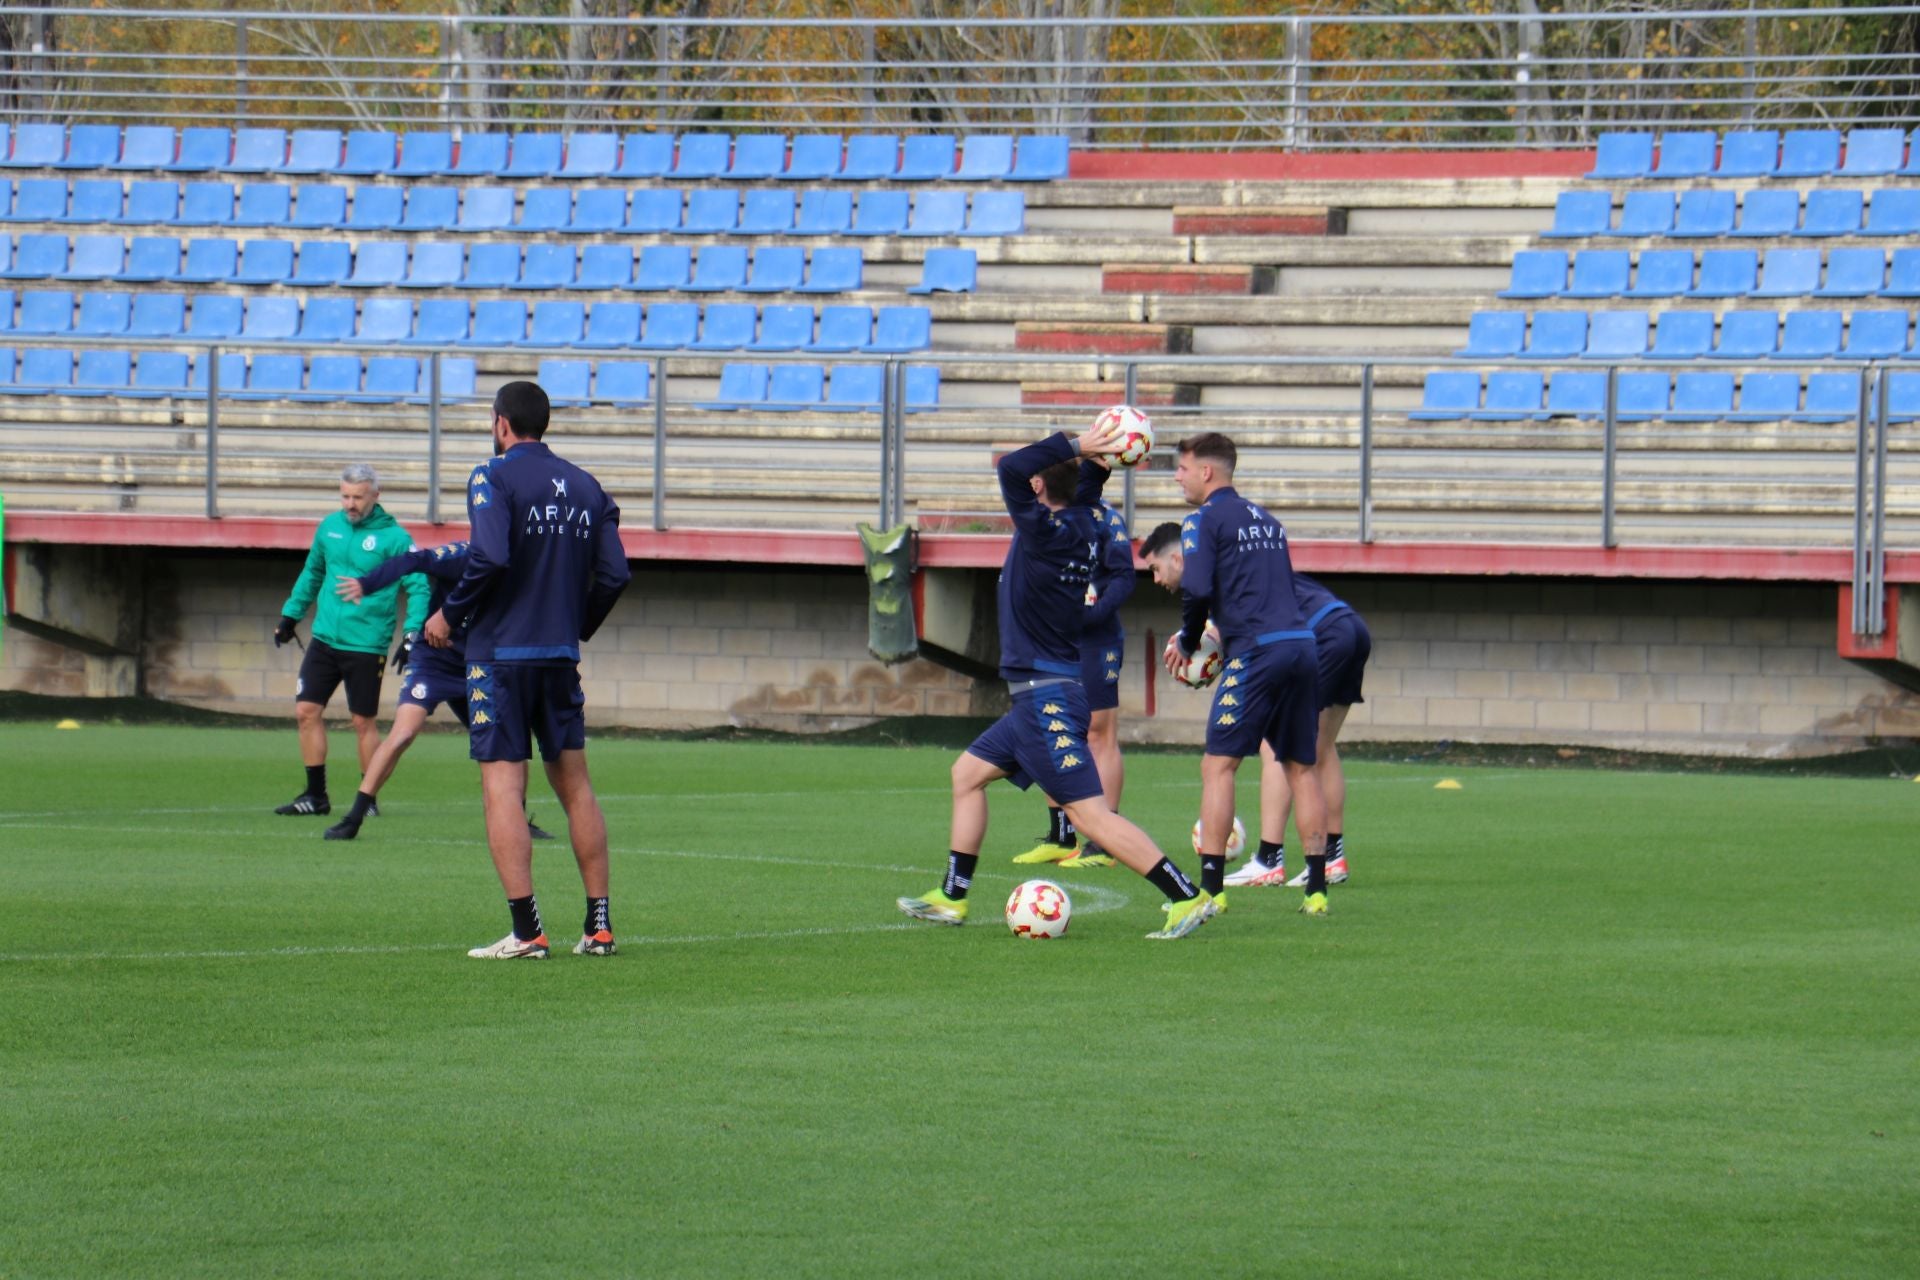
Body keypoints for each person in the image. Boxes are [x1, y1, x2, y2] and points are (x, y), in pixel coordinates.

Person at [897, 420, 1213, 940]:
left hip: (1046, 698)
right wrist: (1092, 461)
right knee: (966, 775)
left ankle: (1185, 894)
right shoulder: (1087, 521)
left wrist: (1078, 448)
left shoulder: (1043, 532)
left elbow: (1011, 468)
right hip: (1038, 697)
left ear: (1039, 488)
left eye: (1038, 479)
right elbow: (1076, 485)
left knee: (1090, 817)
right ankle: (952, 897)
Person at [428, 381, 632, 960]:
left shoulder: (491, 477)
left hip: (498, 658)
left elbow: (490, 556)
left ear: (500, 425)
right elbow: (616, 575)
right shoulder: (589, 487)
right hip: (558, 656)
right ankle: (598, 927)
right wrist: (575, 624)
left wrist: (449, 612)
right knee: (575, 786)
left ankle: (526, 931)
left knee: (502, 786)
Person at [1140, 432, 1333, 918]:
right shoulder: (1268, 519)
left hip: (1258, 653)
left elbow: (1199, 585)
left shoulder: (1200, 520)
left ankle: (1211, 889)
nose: (1178, 478)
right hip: (1302, 646)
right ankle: (1316, 892)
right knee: (1301, 767)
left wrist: (1188, 641)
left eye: (1181, 469)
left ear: (1206, 472)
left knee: (1218, 766)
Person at [323, 541, 554, 845]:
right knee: (403, 734)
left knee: (512, 738)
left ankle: (518, 820)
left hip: (479, 665)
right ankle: (353, 818)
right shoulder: (463, 557)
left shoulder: (524, 569)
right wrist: (367, 584)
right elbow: (411, 560)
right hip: (434, 661)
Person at [271, 463, 427, 818]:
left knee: (362, 722)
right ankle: (315, 796)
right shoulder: (329, 528)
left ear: (375, 495)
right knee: (305, 711)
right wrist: (290, 615)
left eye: (357, 497)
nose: (350, 504)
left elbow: (418, 586)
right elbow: (312, 573)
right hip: (325, 638)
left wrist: (411, 633)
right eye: (345, 496)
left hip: (365, 643)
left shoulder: (395, 539)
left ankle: (366, 798)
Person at [1011, 495, 1134, 870]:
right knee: (1051, 725)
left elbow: (1124, 575)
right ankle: (1062, 835)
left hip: (1096, 639)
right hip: (1051, 640)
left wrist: (1093, 614)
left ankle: (1104, 843)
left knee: (1099, 731)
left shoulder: (1105, 517)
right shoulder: (1045, 518)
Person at [1225, 573, 1369, 890]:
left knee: (1278, 746)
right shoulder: (1266, 559)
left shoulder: (1233, 576)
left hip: (1324, 636)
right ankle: (1333, 858)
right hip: (1352, 627)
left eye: (1155, 569)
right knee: (1322, 748)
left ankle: (1268, 860)